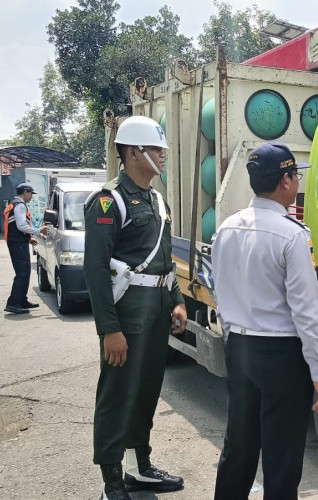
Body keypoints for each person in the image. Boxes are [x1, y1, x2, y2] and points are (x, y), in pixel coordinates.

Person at [212, 142, 318, 500]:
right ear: (285, 181)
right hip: (281, 355)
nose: (296, 181)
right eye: (295, 175)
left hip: (240, 348)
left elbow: (220, 287)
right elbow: (306, 312)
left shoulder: (227, 228)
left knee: (239, 446)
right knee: (281, 455)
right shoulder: (292, 235)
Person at [84, 115, 187, 500]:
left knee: (146, 389)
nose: (161, 155)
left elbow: (165, 257)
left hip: (158, 305)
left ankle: (139, 467)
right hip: (127, 310)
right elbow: (95, 270)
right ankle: (112, 479)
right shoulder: (108, 201)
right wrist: (109, 330)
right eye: (155, 149)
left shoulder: (157, 200)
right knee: (117, 392)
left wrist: (176, 301)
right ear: (132, 152)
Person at [3, 182, 49, 314]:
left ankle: (22, 300)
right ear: (25, 192)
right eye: (31, 194)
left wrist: (29, 238)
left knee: (25, 272)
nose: (31, 197)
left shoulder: (14, 204)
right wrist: (39, 230)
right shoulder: (20, 206)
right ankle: (13, 303)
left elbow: (15, 227)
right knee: (22, 273)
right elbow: (21, 226)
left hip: (17, 242)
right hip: (17, 244)